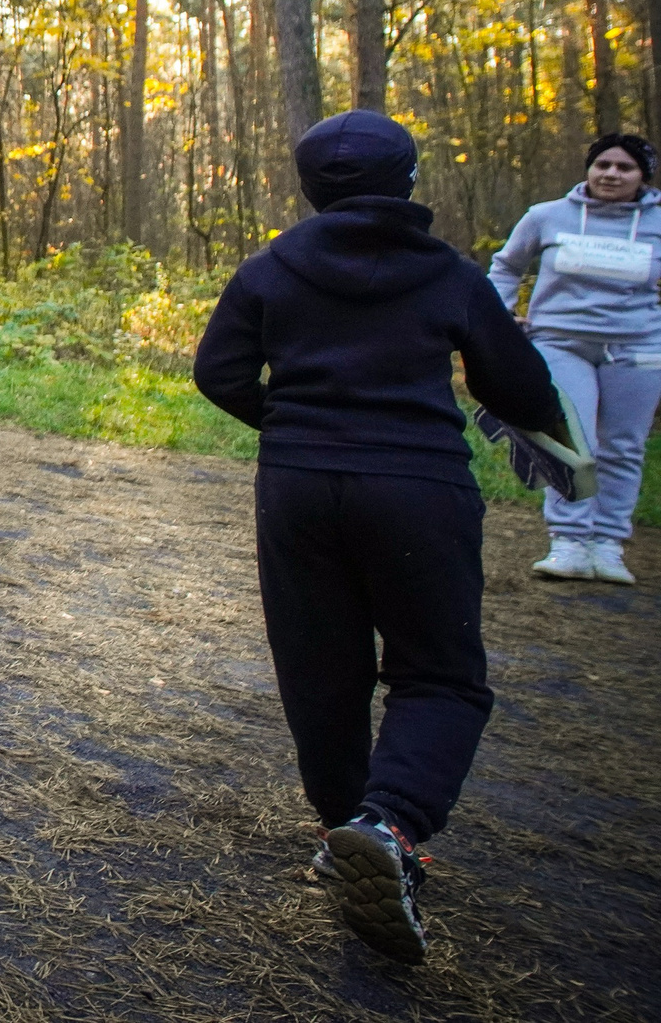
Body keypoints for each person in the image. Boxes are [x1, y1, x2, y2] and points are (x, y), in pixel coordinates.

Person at [193, 110, 571, 965]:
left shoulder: (271, 265)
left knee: (320, 672)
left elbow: (216, 372)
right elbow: (519, 384)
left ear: (310, 187)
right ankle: (390, 822)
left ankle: (346, 833)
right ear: (407, 180)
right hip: (419, 487)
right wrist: (552, 436)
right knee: (440, 674)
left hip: (296, 488)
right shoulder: (448, 272)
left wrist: (288, 425)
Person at [487, 132, 661, 585]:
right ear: (589, 168)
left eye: (624, 168)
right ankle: (567, 542)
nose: (611, 174)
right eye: (603, 164)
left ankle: (607, 546)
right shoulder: (548, 216)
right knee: (572, 442)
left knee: (624, 447)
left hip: (638, 348)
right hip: (560, 344)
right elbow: (506, 265)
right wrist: (504, 314)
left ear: (643, 176)